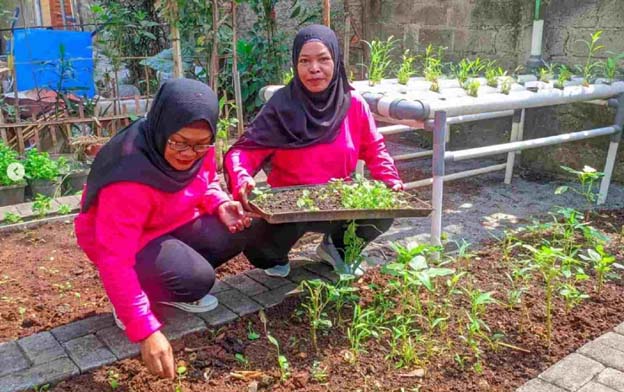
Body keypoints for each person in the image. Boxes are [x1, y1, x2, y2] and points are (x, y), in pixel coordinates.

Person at [75, 78, 251, 379]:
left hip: (171, 221)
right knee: (197, 280)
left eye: (199, 144)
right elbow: (114, 257)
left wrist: (220, 203)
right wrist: (144, 330)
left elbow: (206, 181)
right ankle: (133, 299)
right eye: (179, 142)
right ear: (161, 129)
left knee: (239, 228)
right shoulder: (129, 176)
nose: (188, 153)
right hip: (127, 243)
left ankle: (167, 278)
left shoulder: (200, 149)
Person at [224, 24, 403, 278]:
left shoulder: (353, 104)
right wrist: (241, 176)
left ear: (336, 60)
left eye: (323, 59)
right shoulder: (281, 107)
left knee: (383, 213)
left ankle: (337, 249)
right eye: (304, 61)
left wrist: (390, 181)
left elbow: (375, 148)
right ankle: (277, 253)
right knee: (260, 251)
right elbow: (243, 151)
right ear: (295, 66)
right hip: (289, 206)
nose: (314, 68)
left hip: (340, 203)